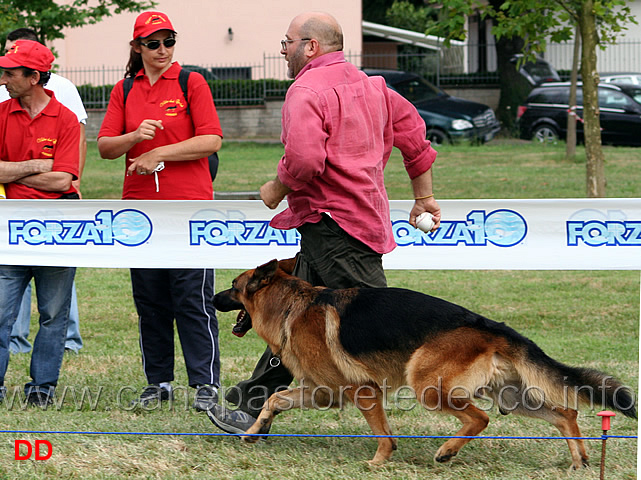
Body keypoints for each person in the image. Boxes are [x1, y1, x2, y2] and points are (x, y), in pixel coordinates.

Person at [207, 11, 441, 434]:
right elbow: (415, 138)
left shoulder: (306, 89)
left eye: (287, 42)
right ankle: (250, 405)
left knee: (385, 328)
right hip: (341, 225)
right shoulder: (374, 86)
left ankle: (491, 381)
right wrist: (423, 195)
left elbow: (305, 160)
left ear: (310, 47)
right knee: (292, 320)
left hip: (337, 231)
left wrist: (278, 187)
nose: (283, 50)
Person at [97, 11, 223, 411]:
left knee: (192, 298)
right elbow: (104, 148)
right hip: (141, 213)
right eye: (153, 43)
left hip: (189, 208)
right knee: (150, 300)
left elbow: (211, 140)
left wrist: (158, 152)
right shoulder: (125, 89)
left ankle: (205, 384)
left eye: (169, 41)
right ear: (137, 47)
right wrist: (134, 137)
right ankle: (159, 382)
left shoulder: (191, 81)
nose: (163, 50)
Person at [0, 40, 80, 407]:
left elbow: (64, 181)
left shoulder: (64, 119)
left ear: (34, 77)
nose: (3, 79)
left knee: (53, 316)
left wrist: (11, 174)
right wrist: (38, 165)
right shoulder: (1, 114)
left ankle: (42, 388)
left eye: (10, 72)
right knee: (1, 315)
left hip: (56, 232)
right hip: (8, 232)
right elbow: (52, 173)